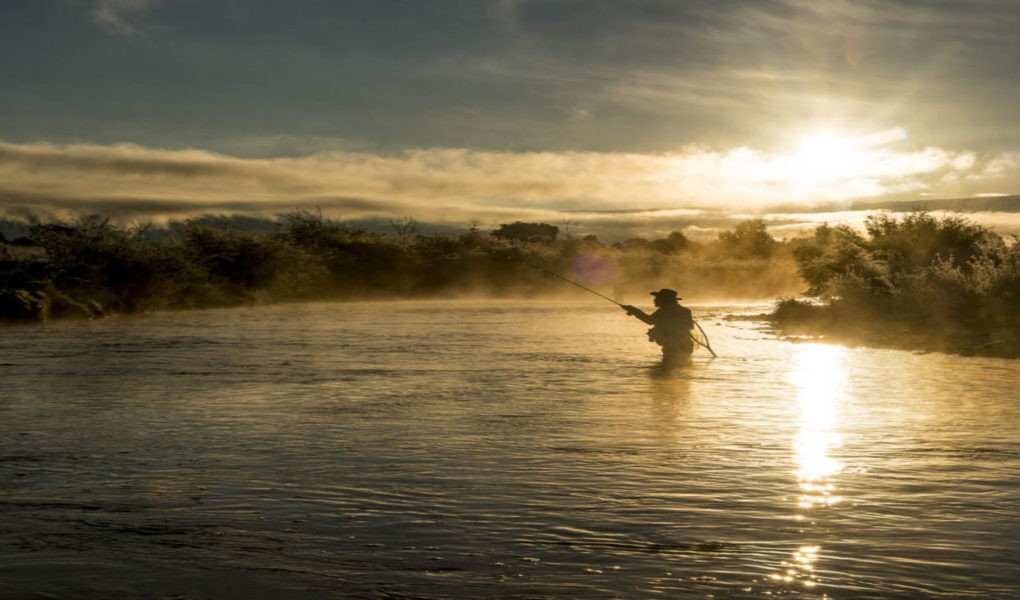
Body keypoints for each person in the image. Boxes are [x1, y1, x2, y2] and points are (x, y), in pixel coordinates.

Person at [622, 289, 694, 364]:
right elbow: (690, 326)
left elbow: (649, 320)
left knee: (667, 370)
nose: (654, 300)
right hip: (686, 345)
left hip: (673, 346)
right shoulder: (685, 310)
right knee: (682, 369)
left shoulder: (665, 310)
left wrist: (634, 310)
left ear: (664, 300)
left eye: (657, 298)